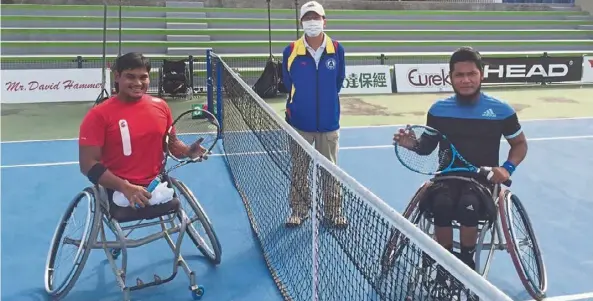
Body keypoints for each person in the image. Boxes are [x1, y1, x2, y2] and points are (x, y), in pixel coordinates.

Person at [393, 47, 528, 269]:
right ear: (450, 78)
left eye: (471, 74)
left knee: (469, 206)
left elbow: (520, 144)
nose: (466, 80)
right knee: (441, 205)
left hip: (482, 181)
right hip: (446, 178)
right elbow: (426, 147)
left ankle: (466, 262)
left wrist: (507, 168)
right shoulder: (438, 110)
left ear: (481, 75)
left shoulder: (501, 111)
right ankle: (446, 263)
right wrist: (413, 144)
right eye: (459, 75)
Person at [78, 52, 204, 219]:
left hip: (155, 185)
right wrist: (125, 187)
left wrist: (188, 151)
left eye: (143, 77)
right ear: (117, 77)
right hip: (117, 191)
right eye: (130, 77)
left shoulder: (161, 107)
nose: (138, 83)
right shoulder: (98, 115)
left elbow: (171, 145)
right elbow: (87, 165)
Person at [282, 0, 347, 228]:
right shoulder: (290, 51)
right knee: (299, 171)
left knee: (331, 172)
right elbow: (288, 83)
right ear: (301, 23)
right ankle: (299, 210)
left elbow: (338, 82)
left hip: (329, 124)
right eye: (307, 18)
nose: (312, 22)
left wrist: (327, 105)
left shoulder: (337, 50)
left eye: (316, 18)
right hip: (300, 123)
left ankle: (334, 211)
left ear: (324, 20)